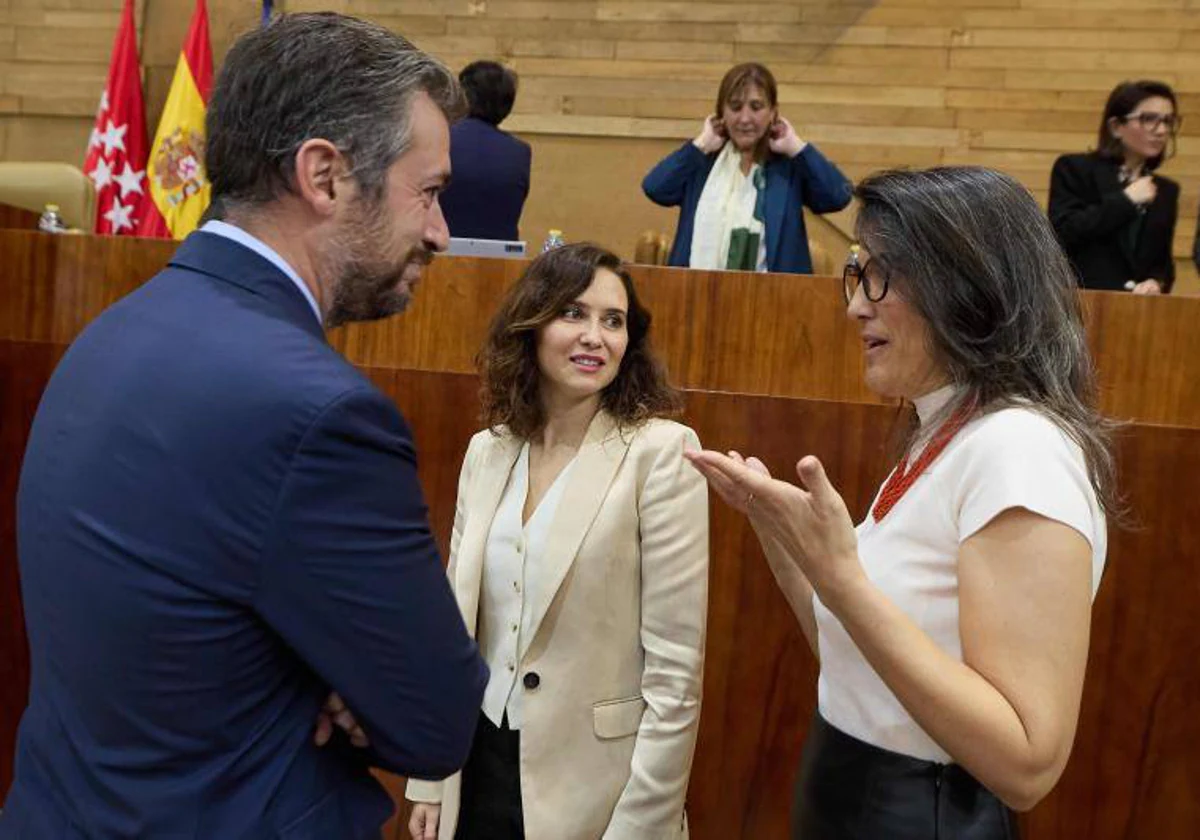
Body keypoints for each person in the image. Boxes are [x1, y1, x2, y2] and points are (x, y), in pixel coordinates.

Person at [2, 13, 488, 838]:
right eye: (431, 192)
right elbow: (435, 721)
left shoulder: (107, 337)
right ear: (326, 176)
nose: (440, 232)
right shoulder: (323, 414)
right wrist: (333, 678)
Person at [687, 167, 1114, 839]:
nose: (857, 305)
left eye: (880, 276)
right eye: (857, 274)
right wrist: (783, 537)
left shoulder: (1019, 450)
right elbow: (857, 665)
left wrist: (841, 578)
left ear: (966, 285)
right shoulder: (946, 429)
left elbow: (1026, 762)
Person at [404, 243, 710, 839]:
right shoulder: (487, 451)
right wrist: (430, 779)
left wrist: (640, 827)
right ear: (531, 325)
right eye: (574, 313)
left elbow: (676, 679)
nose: (596, 336)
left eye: (613, 321)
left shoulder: (662, 453)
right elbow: (452, 629)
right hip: (475, 769)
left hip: (598, 791)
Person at [641, 62, 852, 275]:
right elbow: (655, 188)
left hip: (774, 301)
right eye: (735, 107)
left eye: (756, 107)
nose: (744, 118)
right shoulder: (703, 162)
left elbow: (838, 196)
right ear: (721, 112)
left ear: (773, 113)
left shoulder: (788, 166)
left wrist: (797, 147)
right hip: (698, 294)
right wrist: (701, 144)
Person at [1049, 79, 1181, 293]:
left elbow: (1163, 262)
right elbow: (1062, 233)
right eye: (1149, 119)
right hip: (1082, 303)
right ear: (1116, 126)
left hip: (1139, 311)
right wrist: (1126, 201)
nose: (1161, 130)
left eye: (1168, 121)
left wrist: (1156, 282)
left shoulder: (1167, 190)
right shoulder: (1075, 169)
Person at [438, 60, 532, 241]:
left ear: (462, 96)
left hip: (438, 255)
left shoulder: (440, 139)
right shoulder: (519, 152)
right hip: (502, 262)